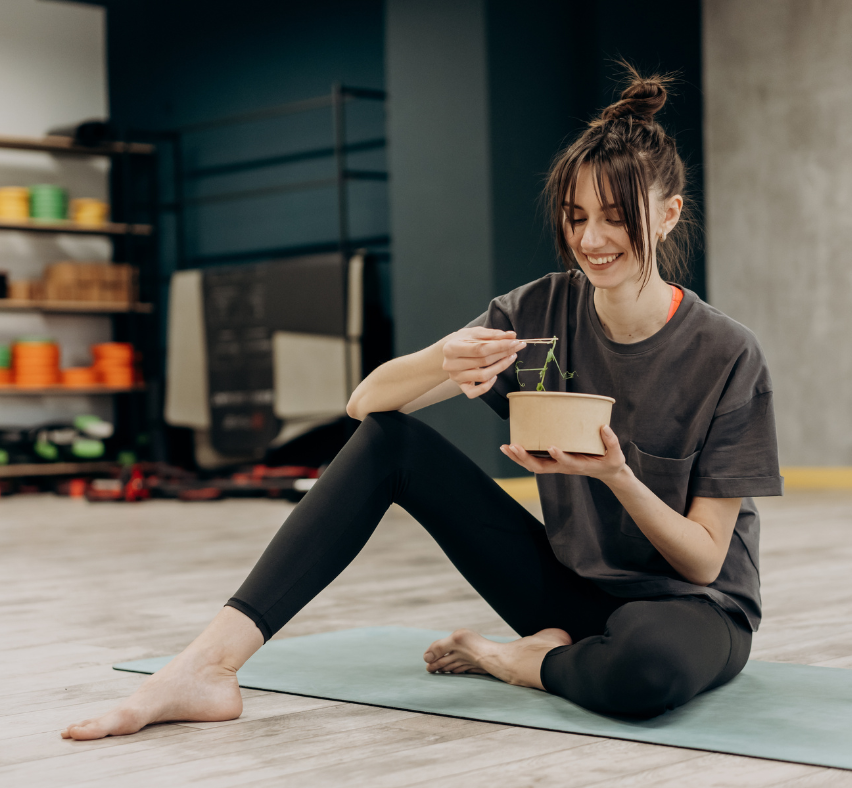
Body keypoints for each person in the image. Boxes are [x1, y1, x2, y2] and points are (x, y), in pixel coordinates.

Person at [62, 66, 782, 740]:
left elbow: (701, 562)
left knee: (645, 673)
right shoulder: (536, 311)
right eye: (575, 216)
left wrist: (616, 475)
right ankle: (208, 666)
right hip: (571, 591)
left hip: (691, 611)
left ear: (667, 216)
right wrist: (444, 358)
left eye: (615, 217)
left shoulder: (726, 355)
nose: (590, 240)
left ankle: (515, 660)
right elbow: (364, 403)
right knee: (389, 442)